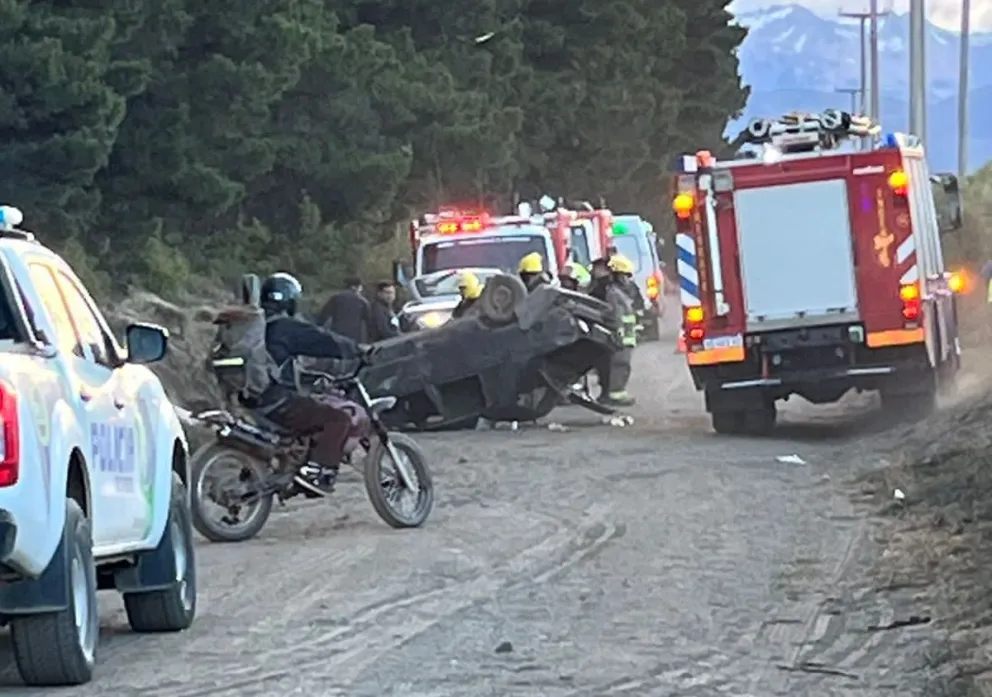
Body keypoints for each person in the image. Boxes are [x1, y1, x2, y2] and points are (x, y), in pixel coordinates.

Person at [257, 272, 368, 495]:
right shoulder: (284, 327)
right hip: (278, 402)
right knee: (337, 419)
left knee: (311, 411)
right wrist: (357, 350)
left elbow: (279, 366)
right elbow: (323, 340)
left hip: (251, 402)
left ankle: (296, 465)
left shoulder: (257, 328)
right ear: (289, 300)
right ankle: (319, 473)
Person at [603, 255, 639, 406]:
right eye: (625, 276)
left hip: (626, 338)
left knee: (624, 366)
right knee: (620, 366)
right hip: (621, 338)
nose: (627, 279)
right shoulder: (614, 294)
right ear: (617, 275)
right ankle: (616, 394)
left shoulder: (619, 293)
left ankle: (618, 392)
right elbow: (616, 317)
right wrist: (619, 334)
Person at [316, 276, 371, 342]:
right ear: (354, 287)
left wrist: (318, 328)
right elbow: (369, 322)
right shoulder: (362, 301)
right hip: (354, 337)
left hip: (337, 335)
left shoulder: (336, 297)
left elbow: (324, 315)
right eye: (360, 287)